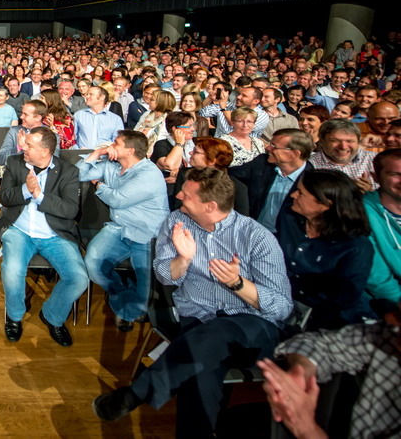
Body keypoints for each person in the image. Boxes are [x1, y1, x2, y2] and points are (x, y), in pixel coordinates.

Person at [93, 168, 293, 438]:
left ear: (209, 206)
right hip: (196, 318)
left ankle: (137, 393)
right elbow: (165, 277)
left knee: (210, 338)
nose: (178, 196)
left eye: (186, 195)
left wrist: (237, 284)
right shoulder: (176, 222)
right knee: (200, 367)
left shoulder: (256, 237)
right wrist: (183, 259)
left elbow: (281, 307)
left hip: (252, 327)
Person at [0, 127, 84, 347]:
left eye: (30, 146)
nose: (24, 148)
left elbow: (71, 210)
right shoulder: (15, 163)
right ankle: (14, 316)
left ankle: (52, 316)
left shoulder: (68, 172)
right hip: (20, 231)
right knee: (13, 270)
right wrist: (26, 189)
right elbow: (5, 197)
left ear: (45, 152)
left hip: (55, 234)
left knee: (78, 278)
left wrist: (39, 196)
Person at [259, 305, 401, 439]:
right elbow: (320, 343)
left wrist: (306, 430)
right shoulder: (388, 336)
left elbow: (280, 306)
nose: (389, 318)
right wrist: (302, 371)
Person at [78, 130, 170, 331]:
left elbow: (117, 200)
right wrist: (97, 154)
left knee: (146, 291)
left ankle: (128, 308)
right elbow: (80, 173)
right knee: (93, 265)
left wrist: (98, 184)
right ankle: (123, 300)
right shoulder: (112, 166)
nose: (112, 145)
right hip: (118, 229)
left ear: (130, 150)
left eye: (116, 143)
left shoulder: (149, 173)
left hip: (147, 235)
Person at [278, 169, 374, 330]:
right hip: (281, 306)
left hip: (330, 325)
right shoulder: (290, 218)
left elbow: (342, 302)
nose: (293, 195)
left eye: (301, 193)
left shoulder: (355, 247)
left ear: (325, 205)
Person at [364, 148, 401, 315]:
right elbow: (378, 279)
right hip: (390, 308)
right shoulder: (361, 213)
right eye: (395, 174)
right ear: (376, 177)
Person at [310, 119, 378, 192]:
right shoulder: (310, 165)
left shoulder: (374, 160)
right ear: (322, 141)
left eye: (350, 141)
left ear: (358, 141)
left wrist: (371, 193)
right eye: (335, 140)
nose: (343, 146)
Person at [72, 85, 125, 149]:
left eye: (91, 94)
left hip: (105, 157)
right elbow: (72, 138)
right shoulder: (78, 115)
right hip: (83, 156)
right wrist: (77, 150)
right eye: (87, 94)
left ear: (102, 97)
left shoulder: (115, 119)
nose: (87, 96)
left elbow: (118, 142)